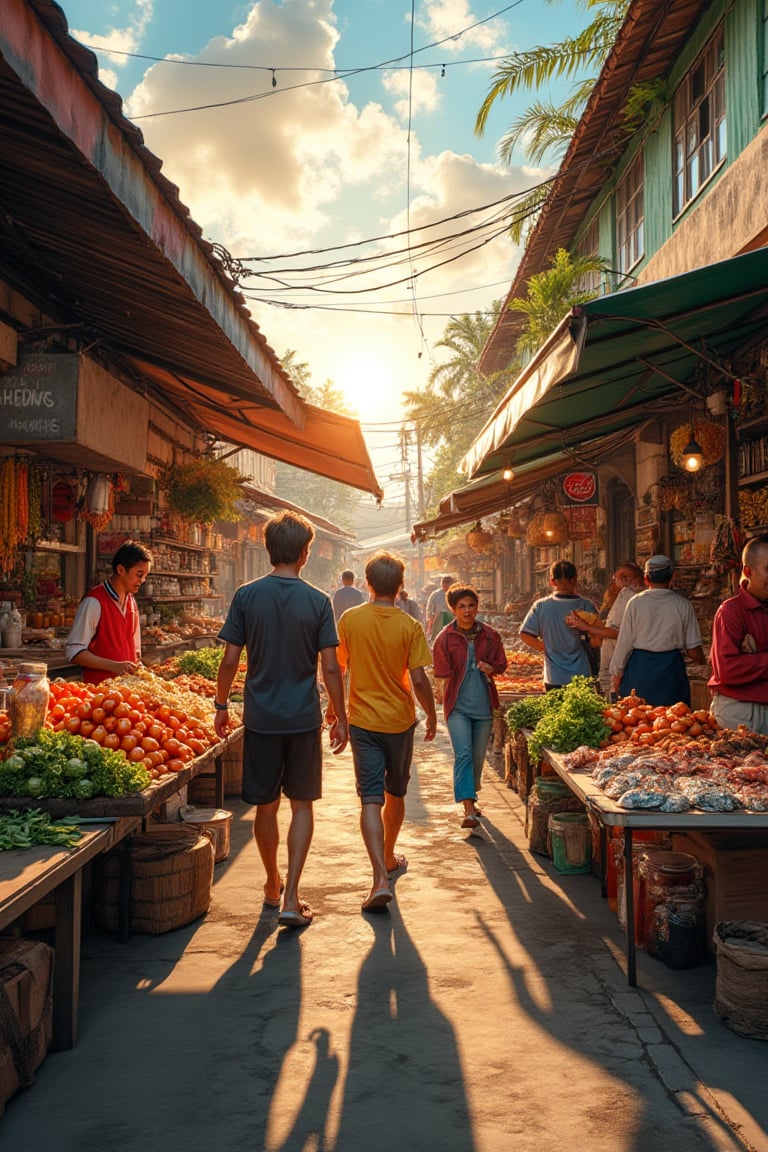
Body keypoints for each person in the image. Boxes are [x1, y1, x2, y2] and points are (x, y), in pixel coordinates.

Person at [214, 511, 348, 929]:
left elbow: (231, 659)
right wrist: (339, 715)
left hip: (261, 719)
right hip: (303, 718)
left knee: (266, 808)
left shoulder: (246, 595)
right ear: (306, 553)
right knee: (302, 804)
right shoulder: (317, 601)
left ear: (269, 549)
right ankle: (291, 898)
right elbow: (330, 668)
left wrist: (220, 705)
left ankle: (272, 884)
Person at [331, 550, 437, 913]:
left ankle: (379, 876)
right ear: (401, 585)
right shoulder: (410, 626)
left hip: (362, 721)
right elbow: (420, 680)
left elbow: (337, 667)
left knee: (370, 799)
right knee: (396, 792)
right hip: (399, 721)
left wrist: (335, 711)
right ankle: (389, 857)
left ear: (368, 584)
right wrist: (433, 715)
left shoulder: (350, 620)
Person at [432, 583, 508, 829]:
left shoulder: (491, 635)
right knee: (463, 754)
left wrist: (491, 667)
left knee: (477, 757)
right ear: (452, 609)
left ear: (477, 607)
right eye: (461, 606)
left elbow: (501, 664)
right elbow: (441, 671)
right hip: (457, 707)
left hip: (484, 705)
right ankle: (468, 809)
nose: (467, 611)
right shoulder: (444, 638)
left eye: (471, 605)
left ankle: (471, 795)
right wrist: (438, 690)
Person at [609, 554, 706, 706]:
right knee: (673, 720)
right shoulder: (683, 605)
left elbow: (624, 644)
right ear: (672, 577)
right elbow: (693, 650)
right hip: (671, 671)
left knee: (639, 720)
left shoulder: (635, 603)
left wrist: (617, 676)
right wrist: (704, 662)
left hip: (640, 670)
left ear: (646, 579)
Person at [66, 540, 152, 684]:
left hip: (128, 693)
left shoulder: (131, 602)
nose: (142, 580)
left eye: (145, 576)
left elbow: (135, 651)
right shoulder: (94, 602)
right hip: (99, 693)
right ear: (120, 570)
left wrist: (139, 668)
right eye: (139, 574)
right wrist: (114, 666)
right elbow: (74, 651)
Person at [708, 534, 768, 734]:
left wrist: (754, 659)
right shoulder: (731, 612)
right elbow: (729, 670)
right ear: (748, 571)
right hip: (742, 711)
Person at [519, 559, 599, 689]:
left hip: (554, 676)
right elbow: (597, 640)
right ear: (575, 580)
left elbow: (525, 634)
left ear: (551, 581)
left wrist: (544, 647)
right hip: (582, 674)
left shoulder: (541, 606)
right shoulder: (586, 605)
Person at [567, 562, 645, 695]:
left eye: (615, 580)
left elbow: (618, 633)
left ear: (626, 579)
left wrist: (586, 627)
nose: (613, 584)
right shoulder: (638, 598)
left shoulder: (626, 595)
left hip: (617, 665)